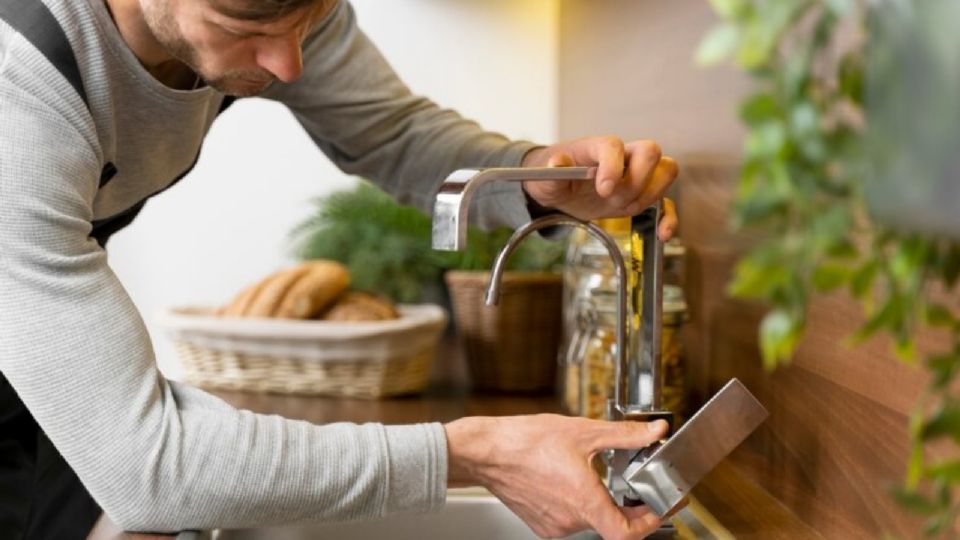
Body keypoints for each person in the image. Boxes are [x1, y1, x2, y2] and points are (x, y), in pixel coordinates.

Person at [0, 0, 680, 539]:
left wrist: (532, 180)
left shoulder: (277, 10)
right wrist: (469, 453)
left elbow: (389, 133)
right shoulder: (18, 98)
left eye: (311, 19)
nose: (289, 63)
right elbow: (147, 465)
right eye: (247, 27)